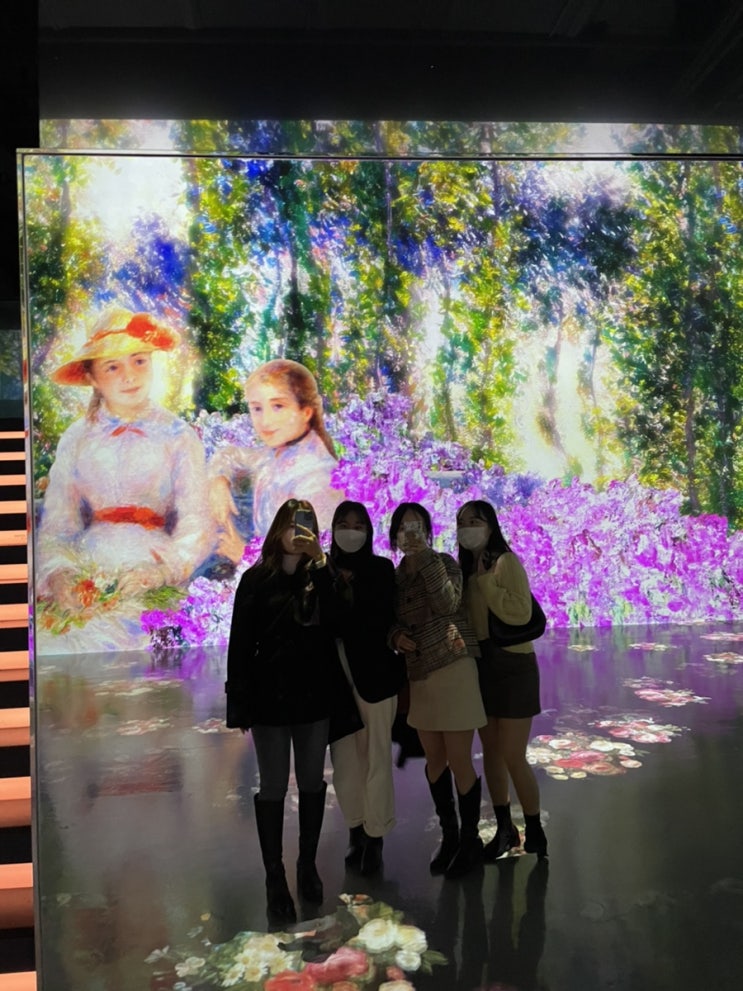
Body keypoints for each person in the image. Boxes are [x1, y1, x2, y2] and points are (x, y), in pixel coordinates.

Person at [36, 306, 213, 652]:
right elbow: (57, 526)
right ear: (92, 377)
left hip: (152, 566)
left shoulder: (177, 435)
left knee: (141, 641)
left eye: (139, 361)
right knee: (61, 645)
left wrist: (162, 571)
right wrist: (59, 574)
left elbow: (197, 523)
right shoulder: (77, 438)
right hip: (91, 566)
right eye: (112, 367)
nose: (129, 376)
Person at [225, 499, 339, 925]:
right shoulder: (256, 580)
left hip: (313, 696)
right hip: (269, 698)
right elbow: (240, 645)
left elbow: (337, 622)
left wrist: (320, 564)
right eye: (292, 524)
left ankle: (306, 865)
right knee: (272, 785)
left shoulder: (320, 575)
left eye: (307, 523)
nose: (298, 531)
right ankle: (275, 876)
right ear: (277, 529)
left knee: (312, 781)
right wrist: (239, 705)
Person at [389, 501, 487, 880]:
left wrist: (426, 558)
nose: (410, 534)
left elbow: (449, 603)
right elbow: (390, 621)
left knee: (460, 758)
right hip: (420, 675)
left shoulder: (444, 563)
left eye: (417, 527)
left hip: (454, 665)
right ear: (395, 536)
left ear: (428, 533)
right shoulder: (395, 578)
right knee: (434, 759)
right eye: (403, 528)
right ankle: (450, 836)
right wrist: (395, 636)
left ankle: (470, 840)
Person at [456, 499, 548, 861]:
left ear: (491, 525)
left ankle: (535, 829)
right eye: (462, 522)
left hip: (513, 666)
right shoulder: (465, 571)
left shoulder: (505, 562)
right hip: (482, 667)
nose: (468, 528)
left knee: (512, 754)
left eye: (475, 521)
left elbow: (520, 612)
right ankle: (505, 829)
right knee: (491, 753)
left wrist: (486, 583)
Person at [318, 501, 405, 876]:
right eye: (344, 524)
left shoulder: (381, 569)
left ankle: (376, 834)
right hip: (334, 680)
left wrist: (348, 592)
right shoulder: (320, 570)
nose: (351, 531)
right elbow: (325, 622)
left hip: (376, 677)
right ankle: (355, 828)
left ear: (368, 532)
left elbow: (377, 620)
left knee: (376, 758)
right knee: (344, 762)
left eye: (358, 525)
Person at [207, 358, 343, 560]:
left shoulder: (316, 480)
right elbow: (232, 455)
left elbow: (311, 562)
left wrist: (244, 555)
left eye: (278, 406)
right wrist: (219, 480)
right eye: (257, 408)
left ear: (306, 412)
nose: (265, 421)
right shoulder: (278, 452)